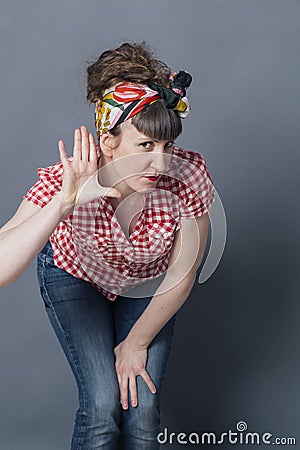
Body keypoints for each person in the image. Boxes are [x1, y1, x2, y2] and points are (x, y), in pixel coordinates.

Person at [0, 42, 215, 449]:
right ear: (108, 141)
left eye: (167, 146)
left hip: (146, 284)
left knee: (143, 411)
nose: (161, 163)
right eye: (146, 146)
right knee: (102, 406)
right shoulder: (65, 180)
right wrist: (63, 205)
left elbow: (182, 274)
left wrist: (135, 343)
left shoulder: (187, 175)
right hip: (75, 277)